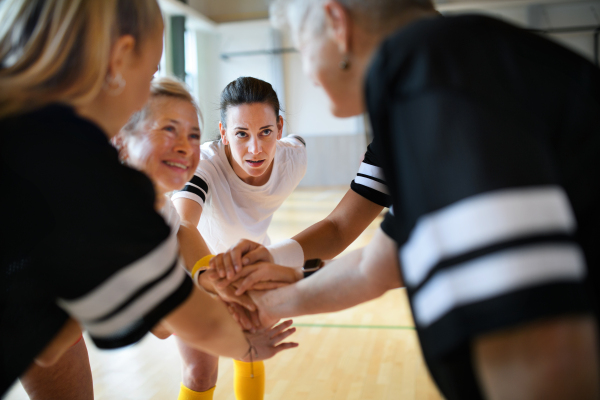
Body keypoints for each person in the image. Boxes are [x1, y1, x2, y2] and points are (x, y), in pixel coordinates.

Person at [214, 0, 600, 399]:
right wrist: (275, 286)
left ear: (336, 23)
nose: (308, 73)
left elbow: (537, 345)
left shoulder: (435, 85)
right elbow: (374, 259)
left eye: (302, 46)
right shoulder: (450, 72)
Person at [0, 1, 295, 397]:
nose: (152, 87)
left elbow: (51, 338)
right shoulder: (83, 179)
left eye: (192, 133)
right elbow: (174, 315)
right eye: (153, 70)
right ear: (120, 58)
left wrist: (204, 279)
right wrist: (242, 341)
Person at [170, 76, 307, 400]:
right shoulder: (204, 165)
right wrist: (212, 277)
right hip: (194, 266)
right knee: (201, 369)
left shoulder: (293, 160)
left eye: (266, 132)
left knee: (249, 356)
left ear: (280, 127)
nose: (255, 148)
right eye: (241, 134)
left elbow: (300, 141)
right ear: (223, 133)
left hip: (247, 268)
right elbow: (183, 225)